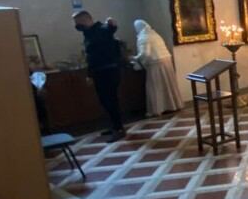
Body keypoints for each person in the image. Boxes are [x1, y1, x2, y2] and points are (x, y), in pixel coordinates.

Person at [72, 10, 125, 142]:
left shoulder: (101, 28)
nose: (77, 26)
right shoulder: (87, 34)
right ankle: (113, 126)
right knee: (104, 101)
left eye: (78, 22)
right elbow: (91, 57)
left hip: (109, 71)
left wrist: (112, 24)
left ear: (87, 19)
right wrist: (90, 74)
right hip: (98, 73)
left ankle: (118, 129)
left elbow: (110, 29)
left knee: (111, 101)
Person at [132, 20, 181, 117]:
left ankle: (157, 109)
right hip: (166, 61)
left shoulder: (143, 37)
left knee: (155, 87)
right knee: (168, 85)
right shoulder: (155, 34)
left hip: (156, 64)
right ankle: (173, 105)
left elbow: (145, 54)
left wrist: (134, 58)